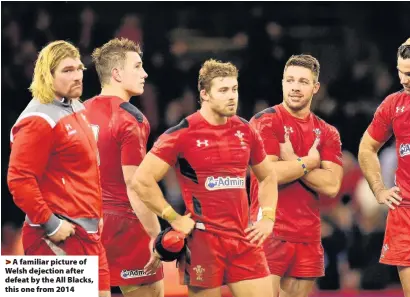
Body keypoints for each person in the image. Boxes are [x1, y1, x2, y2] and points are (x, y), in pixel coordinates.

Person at [131, 59, 278, 297]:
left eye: (234, 89)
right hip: (203, 243)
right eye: (223, 90)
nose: (232, 96)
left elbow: (268, 176)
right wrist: (173, 218)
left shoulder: (246, 130)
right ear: (205, 94)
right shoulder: (182, 133)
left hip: (244, 239)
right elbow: (141, 181)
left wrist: (268, 217)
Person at [7, 40, 110, 297]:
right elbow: (19, 180)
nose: (77, 76)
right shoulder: (38, 119)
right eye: (67, 70)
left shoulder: (75, 106)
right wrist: (51, 224)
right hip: (56, 238)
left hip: (87, 236)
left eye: (78, 69)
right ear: (47, 75)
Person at [249, 54, 344, 297]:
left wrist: (293, 161)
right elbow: (268, 174)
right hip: (269, 231)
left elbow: (332, 185)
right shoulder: (265, 122)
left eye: (303, 82)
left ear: (315, 87)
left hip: (308, 236)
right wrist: (311, 163)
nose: (295, 87)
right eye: (290, 80)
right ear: (282, 83)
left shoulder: (328, 132)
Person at [84, 38, 164, 297]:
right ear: (117, 73)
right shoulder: (131, 118)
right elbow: (135, 184)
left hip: (86, 225)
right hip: (126, 226)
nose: (145, 73)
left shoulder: (78, 113)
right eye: (138, 66)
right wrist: (156, 235)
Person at [358, 34, 410, 297]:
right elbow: (367, 147)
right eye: (400, 72)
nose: (403, 80)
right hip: (406, 212)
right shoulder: (392, 105)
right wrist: (378, 189)